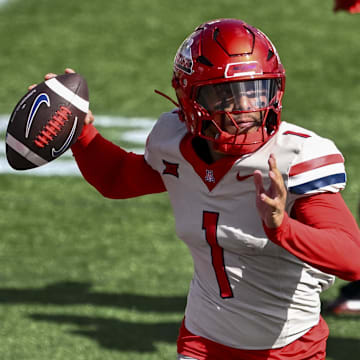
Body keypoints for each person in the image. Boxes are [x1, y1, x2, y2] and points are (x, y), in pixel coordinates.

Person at [42, 19, 360, 360]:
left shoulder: (293, 157)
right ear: (189, 96)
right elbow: (118, 178)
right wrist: (81, 134)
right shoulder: (174, 142)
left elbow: (352, 259)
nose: (246, 108)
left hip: (288, 348)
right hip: (202, 340)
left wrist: (282, 226)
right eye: (226, 94)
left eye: (256, 90)